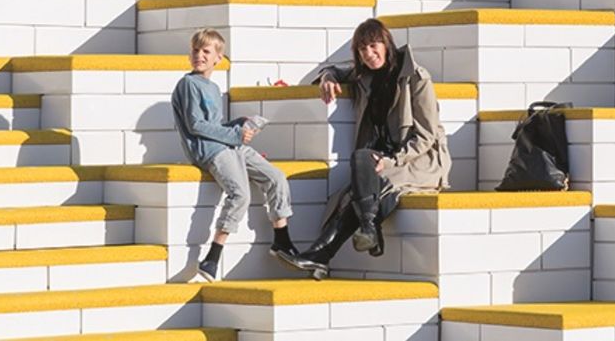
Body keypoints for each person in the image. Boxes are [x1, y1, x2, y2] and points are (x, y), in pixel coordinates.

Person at [294, 18, 450, 277]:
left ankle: (323, 254)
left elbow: (426, 136)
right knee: (358, 167)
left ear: (386, 44)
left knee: (361, 189)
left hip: (419, 160)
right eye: (362, 49)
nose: (369, 53)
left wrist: (393, 161)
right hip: (382, 158)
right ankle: (368, 229)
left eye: (374, 45)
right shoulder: (364, 75)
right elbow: (336, 70)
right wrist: (328, 77)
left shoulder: (416, 77)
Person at [171, 27, 301, 282]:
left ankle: (282, 241)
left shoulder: (212, 87)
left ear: (219, 58)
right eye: (196, 51)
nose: (200, 55)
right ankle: (212, 257)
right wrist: (234, 135)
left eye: (206, 51)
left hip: (228, 145)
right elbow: (196, 125)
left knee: (276, 177)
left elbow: (215, 124)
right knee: (239, 193)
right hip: (210, 151)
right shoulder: (188, 84)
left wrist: (238, 125)